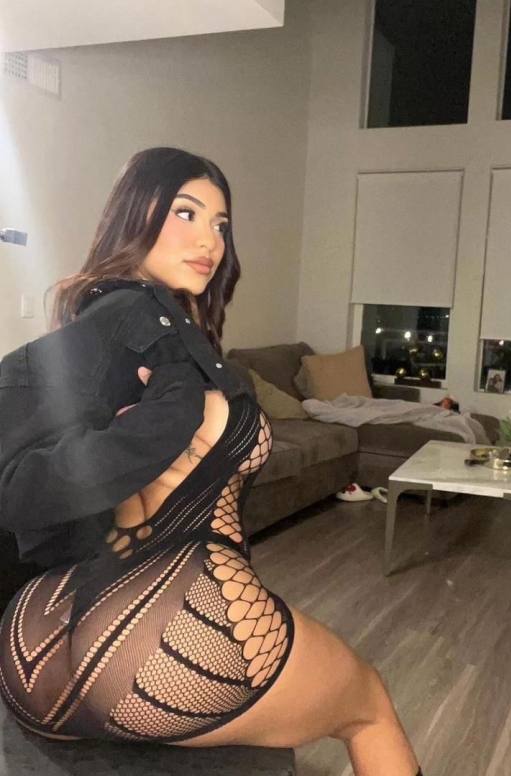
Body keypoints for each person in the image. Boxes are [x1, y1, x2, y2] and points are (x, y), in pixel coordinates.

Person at [0, 148, 422, 775]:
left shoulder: (124, 321)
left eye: (220, 224)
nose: (210, 241)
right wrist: (167, 414)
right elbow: (20, 477)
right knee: (370, 705)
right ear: (134, 214)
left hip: (34, 643)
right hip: (168, 636)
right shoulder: (140, 317)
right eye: (186, 213)